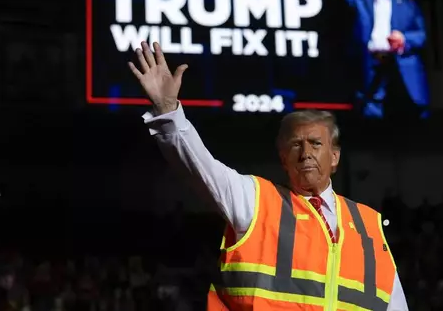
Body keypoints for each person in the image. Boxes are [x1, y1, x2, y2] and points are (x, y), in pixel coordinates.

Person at [128, 42, 409, 310]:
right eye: (295, 145)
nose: (305, 152)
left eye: (316, 143)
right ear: (283, 159)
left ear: (335, 157)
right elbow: (201, 168)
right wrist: (169, 114)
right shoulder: (257, 201)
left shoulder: (370, 227)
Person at [328, 0, 429, 120]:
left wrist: (404, 39)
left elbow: (422, 35)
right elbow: (342, 3)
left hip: (401, 68)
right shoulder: (359, 3)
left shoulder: (406, 5)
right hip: (371, 69)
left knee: (410, 122)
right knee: (372, 121)